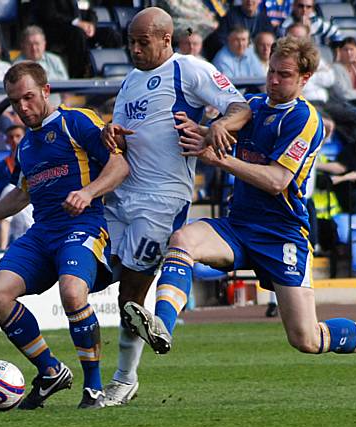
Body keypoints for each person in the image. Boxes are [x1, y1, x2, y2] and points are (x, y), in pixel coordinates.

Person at [122, 35, 356, 388]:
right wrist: (200, 132)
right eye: (272, 71)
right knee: (183, 239)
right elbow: (224, 141)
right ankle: (163, 328)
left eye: (285, 75)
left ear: (305, 79)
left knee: (306, 339)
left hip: (282, 235)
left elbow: (277, 180)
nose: (274, 80)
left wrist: (219, 158)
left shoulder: (305, 120)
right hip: (240, 225)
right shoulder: (256, 106)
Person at [0, 62, 130, 409]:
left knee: (72, 291)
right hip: (42, 232)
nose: (22, 107)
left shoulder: (77, 121)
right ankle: (50, 371)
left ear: (46, 91)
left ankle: (93, 389)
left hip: (84, 226)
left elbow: (120, 164)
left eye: (29, 97)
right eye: (15, 101)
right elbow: (21, 195)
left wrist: (89, 192)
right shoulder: (26, 147)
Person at [99, 7, 251, 406]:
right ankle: (111, 368)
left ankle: (123, 377)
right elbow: (121, 140)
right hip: (122, 195)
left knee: (132, 287)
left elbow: (241, 107)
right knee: (102, 278)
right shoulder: (131, 81)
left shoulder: (190, 70)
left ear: (166, 40)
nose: (133, 49)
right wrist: (110, 134)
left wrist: (217, 126)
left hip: (163, 199)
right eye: (130, 42)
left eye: (141, 42)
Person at [30, 0, 122, 78]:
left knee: (110, 34)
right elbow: (50, 15)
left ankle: (115, 73)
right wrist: (76, 23)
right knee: (77, 33)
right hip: (56, 29)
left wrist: (91, 25)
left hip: (78, 28)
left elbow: (91, 12)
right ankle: (79, 75)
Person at [14, 26, 69, 108]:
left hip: (56, 109)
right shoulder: (16, 66)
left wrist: (65, 110)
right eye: (29, 44)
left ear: (44, 44)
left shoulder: (55, 60)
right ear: (23, 45)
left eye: (37, 44)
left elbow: (66, 89)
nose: (34, 48)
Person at [0, 124, 24, 199]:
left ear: (25, 137)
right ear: (6, 140)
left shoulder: (35, 160)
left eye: (18, 136)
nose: (14, 140)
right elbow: (0, 190)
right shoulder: (2, 165)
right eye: (11, 137)